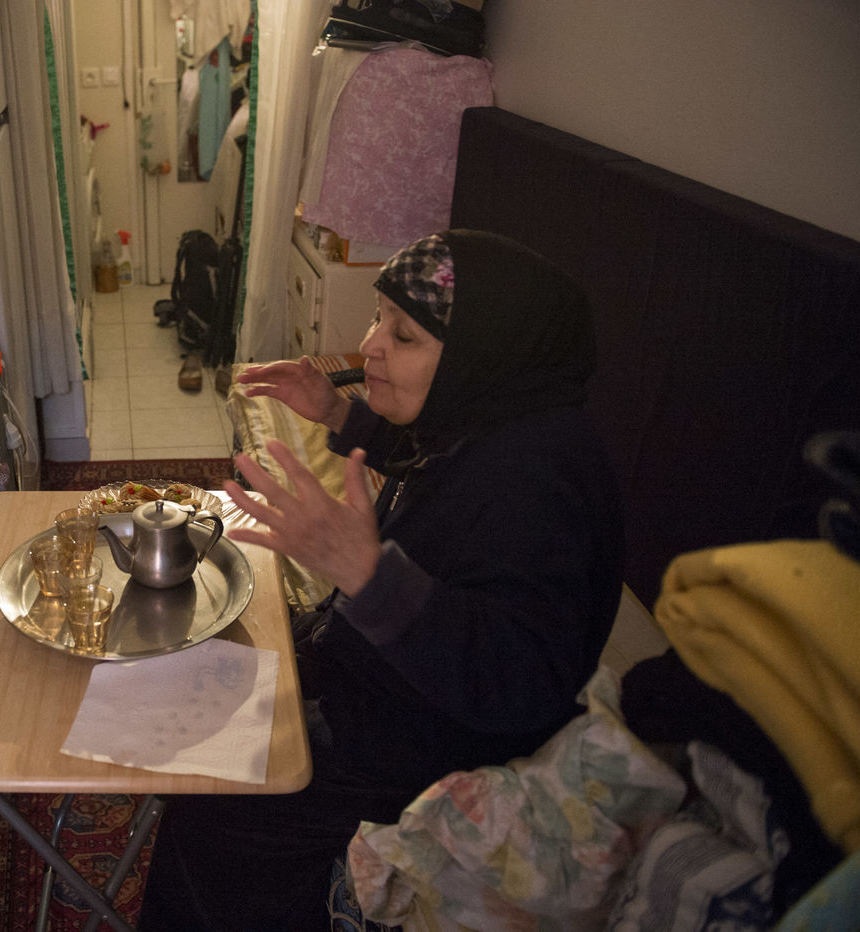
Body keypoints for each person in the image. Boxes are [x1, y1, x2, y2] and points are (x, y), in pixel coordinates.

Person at [138, 230, 625, 930]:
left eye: (403, 335)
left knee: (212, 803)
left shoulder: (539, 483)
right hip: (384, 681)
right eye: (377, 318)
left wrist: (367, 575)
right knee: (208, 659)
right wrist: (342, 413)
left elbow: (520, 682)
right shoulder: (495, 414)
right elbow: (436, 457)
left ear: (480, 351)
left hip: (431, 750)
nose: (368, 345)